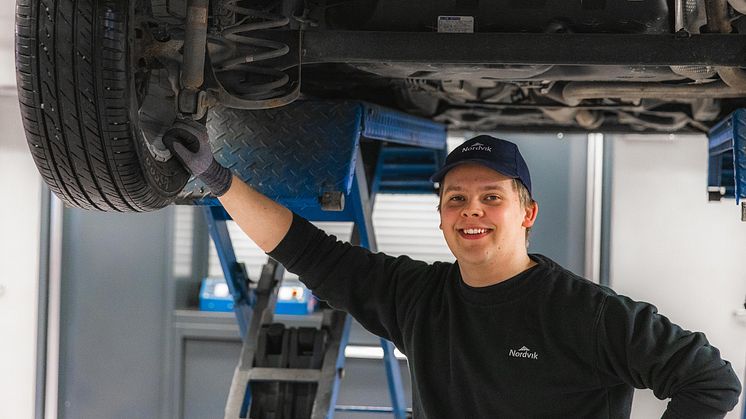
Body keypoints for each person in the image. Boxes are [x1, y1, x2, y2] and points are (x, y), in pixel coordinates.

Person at [164, 120, 742, 418]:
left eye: (492, 197)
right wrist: (218, 180)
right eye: (456, 200)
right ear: (441, 218)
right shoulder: (417, 296)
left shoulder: (585, 314)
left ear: (527, 213)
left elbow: (711, 381)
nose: (472, 211)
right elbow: (308, 251)